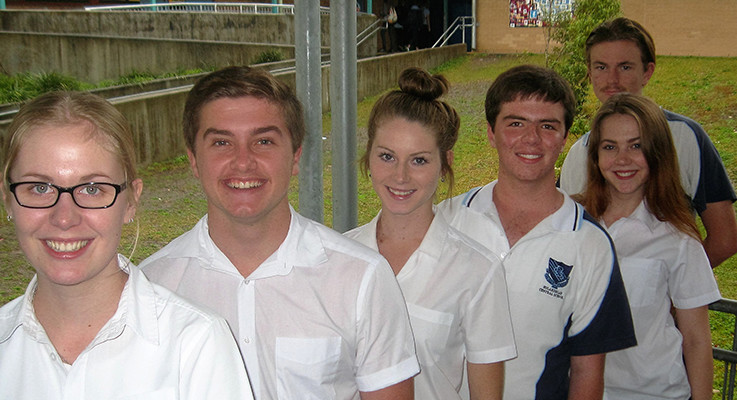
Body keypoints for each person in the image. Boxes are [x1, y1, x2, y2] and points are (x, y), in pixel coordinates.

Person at [140, 66, 420, 400]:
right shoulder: (152, 288)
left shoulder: (361, 278)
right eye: (221, 142)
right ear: (193, 160)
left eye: (263, 141)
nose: (243, 162)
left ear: (296, 156)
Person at [0, 91, 254, 399]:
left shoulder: (195, 344)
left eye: (92, 189)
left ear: (131, 200)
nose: (64, 218)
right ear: (7, 199)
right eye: (40, 188)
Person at [438, 64, 637, 400]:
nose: (531, 138)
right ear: (490, 133)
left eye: (547, 126)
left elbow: (587, 372)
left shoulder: (590, 244)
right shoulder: (446, 220)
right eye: (516, 123)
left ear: (564, 137)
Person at [345, 67, 517, 400]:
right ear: (369, 156)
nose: (400, 176)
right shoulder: (339, 258)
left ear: (444, 162)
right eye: (387, 156)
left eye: (419, 160)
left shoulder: (477, 271)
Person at [558, 17, 737, 268]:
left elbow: (725, 239)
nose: (612, 79)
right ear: (589, 73)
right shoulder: (578, 153)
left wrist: (674, 283)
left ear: (647, 72)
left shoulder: (685, 137)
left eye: (625, 67)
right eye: (601, 67)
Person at [575, 93, 719, 400]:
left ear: (657, 152)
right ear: (595, 156)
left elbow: (696, 340)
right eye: (609, 147)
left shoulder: (677, 238)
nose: (622, 159)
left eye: (636, 146)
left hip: (653, 393)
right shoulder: (570, 225)